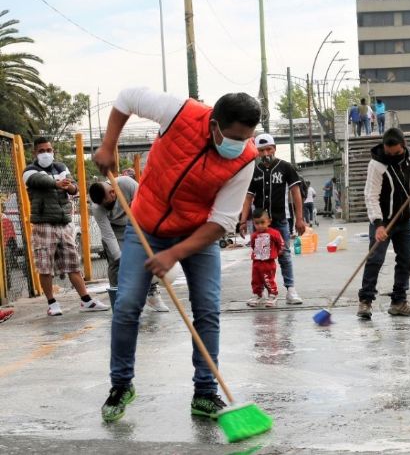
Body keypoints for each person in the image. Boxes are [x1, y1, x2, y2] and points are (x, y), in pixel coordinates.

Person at [94, 87, 260, 422]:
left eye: (246, 138)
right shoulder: (179, 112)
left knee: (207, 311)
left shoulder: (245, 160)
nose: (237, 145)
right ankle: (121, 384)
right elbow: (126, 98)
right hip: (147, 227)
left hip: (198, 233)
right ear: (213, 124)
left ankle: (205, 393)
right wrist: (108, 145)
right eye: (232, 137)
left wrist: (175, 254)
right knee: (126, 305)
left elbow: (223, 222)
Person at [24, 137, 110, 317]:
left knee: (72, 263)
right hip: (43, 224)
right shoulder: (29, 171)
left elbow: (74, 188)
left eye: (48, 150)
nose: (46, 153)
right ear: (35, 153)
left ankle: (86, 300)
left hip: (64, 223)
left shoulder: (61, 167)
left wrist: (69, 186)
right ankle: (52, 303)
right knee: (45, 265)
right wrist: (57, 184)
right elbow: (39, 181)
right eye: (41, 151)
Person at [358, 128, 410, 319]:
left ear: (403, 145)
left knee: (405, 260)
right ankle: (365, 301)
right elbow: (371, 196)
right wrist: (378, 224)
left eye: (396, 153)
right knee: (375, 259)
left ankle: (399, 301)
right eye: (389, 153)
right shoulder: (376, 165)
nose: (392, 156)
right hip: (383, 220)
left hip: (405, 220)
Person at [240, 134, 305, 306]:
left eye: (269, 149)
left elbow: (296, 193)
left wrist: (300, 218)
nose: (266, 153)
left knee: (284, 255)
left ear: (274, 148)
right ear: (257, 152)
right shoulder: (254, 172)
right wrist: (242, 221)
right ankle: (261, 292)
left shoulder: (285, 167)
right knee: (260, 259)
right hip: (260, 225)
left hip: (280, 220)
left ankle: (291, 290)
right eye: (261, 150)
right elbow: (248, 197)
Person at [89, 178, 169, 312]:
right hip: (115, 229)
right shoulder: (97, 208)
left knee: (147, 256)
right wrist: (120, 257)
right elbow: (108, 234)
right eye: (104, 206)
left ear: (113, 193)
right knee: (116, 263)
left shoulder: (126, 184)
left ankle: (152, 294)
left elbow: (147, 202)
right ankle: (119, 298)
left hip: (137, 221)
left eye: (108, 204)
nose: (106, 207)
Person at [247, 209, 285, 307]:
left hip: (268, 262)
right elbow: (252, 245)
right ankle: (258, 294)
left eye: (262, 222)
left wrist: (279, 251)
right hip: (256, 261)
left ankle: (273, 295)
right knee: (255, 279)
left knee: (268, 279)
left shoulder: (274, 233)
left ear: (269, 221)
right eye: (257, 223)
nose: (260, 225)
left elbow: (280, 242)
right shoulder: (254, 235)